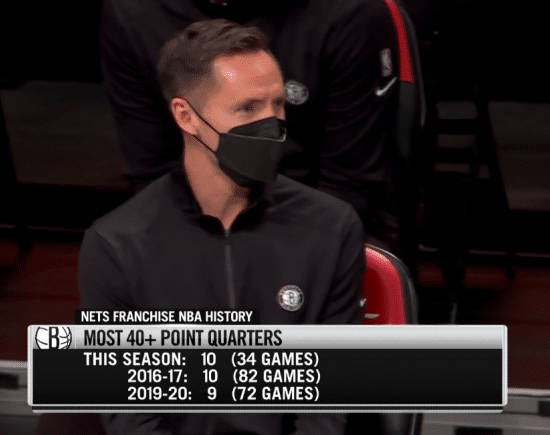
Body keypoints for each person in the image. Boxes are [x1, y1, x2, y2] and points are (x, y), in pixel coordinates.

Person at [79, 19, 364, 435]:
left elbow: (328, 401)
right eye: (248, 108)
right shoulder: (116, 244)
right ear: (186, 116)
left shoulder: (331, 227)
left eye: (278, 104)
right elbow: (130, 413)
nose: (272, 124)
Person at [99, 0, 402, 254]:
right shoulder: (132, 14)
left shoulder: (352, 13)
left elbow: (350, 184)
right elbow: (152, 170)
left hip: (326, 215)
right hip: (199, 218)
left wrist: (260, 264)